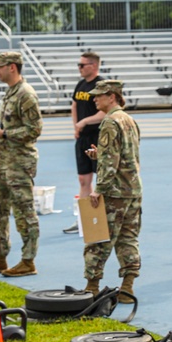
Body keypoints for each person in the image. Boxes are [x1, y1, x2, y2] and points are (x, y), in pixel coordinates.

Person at [0, 51, 43, 278]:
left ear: (12, 67)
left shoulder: (26, 94)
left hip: (20, 163)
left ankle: (28, 260)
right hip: (4, 162)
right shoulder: (10, 93)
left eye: (0, 66)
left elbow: (35, 130)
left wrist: (4, 134)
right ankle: (0, 255)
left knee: (24, 212)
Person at [81, 80, 142, 303]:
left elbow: (111, 161)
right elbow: (128, 155)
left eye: (99, 95)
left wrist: (100, 189)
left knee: (98, 239)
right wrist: (102, 155)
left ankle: (92, 286)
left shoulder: (109, 122)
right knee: (128, 238)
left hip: (115, 192)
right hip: (132, 188)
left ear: (112, 97)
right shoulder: (128, 120)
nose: (95, 99)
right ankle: (127, 286)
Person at [64, 52, 105, 234]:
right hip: (82, 138)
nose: (79, 68)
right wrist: (76, 126)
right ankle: (83, 219)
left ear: (93, 66)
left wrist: (85, 121)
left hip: (97, 138)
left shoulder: (101, 85)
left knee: (102, 179)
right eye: (78, 65)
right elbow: (74, 105)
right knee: (83, 179)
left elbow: (104, 112)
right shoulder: (80, 85)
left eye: (82, 65)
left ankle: (102, 218)